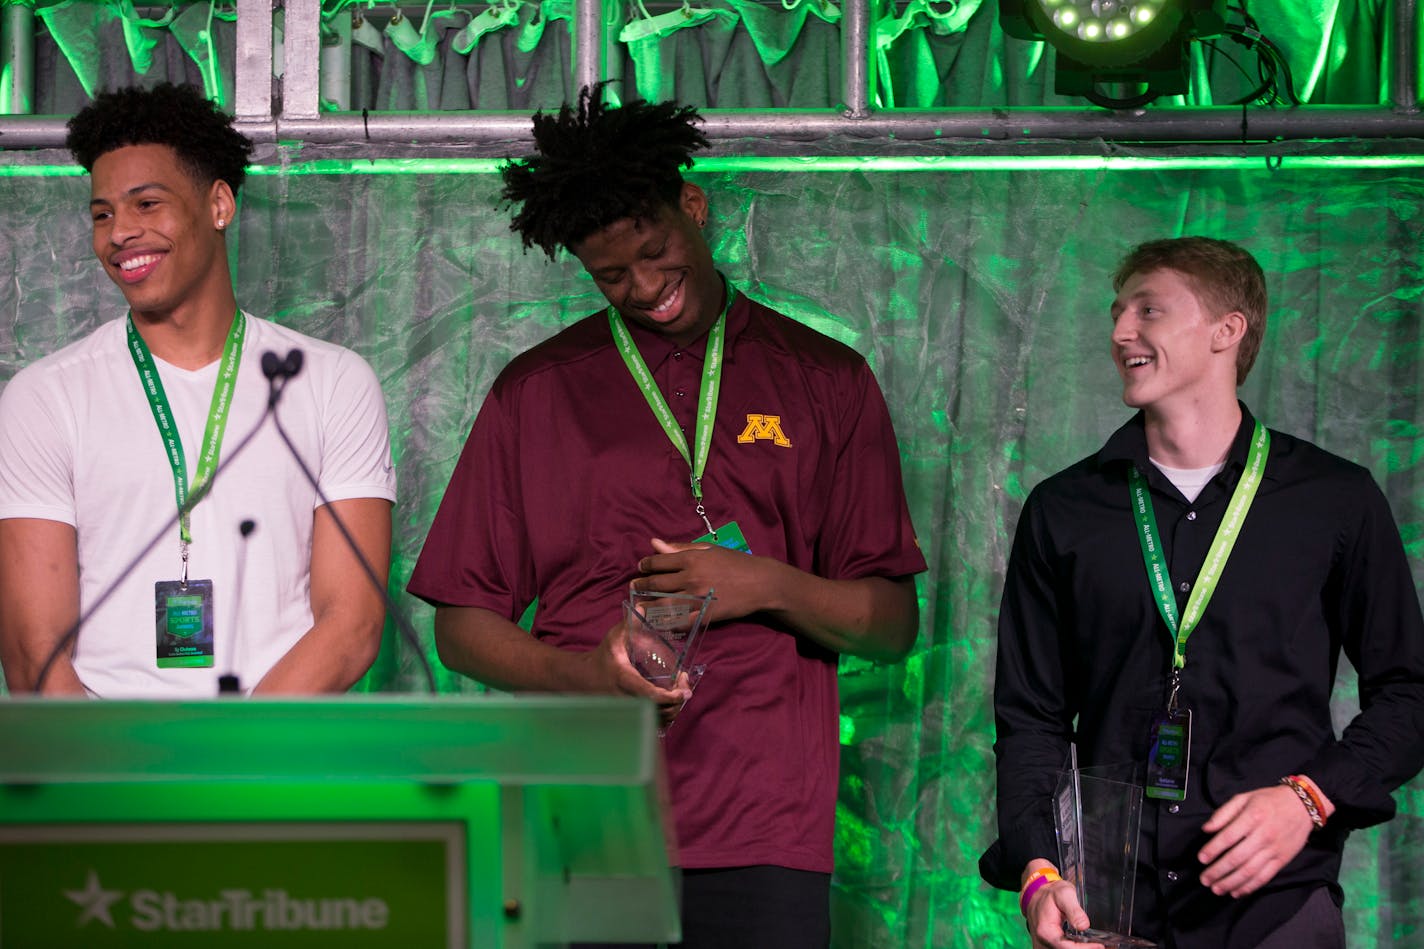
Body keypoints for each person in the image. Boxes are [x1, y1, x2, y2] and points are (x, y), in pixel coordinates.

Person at [408, 88, 926, 946]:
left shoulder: (827, 377)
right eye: (612, 274)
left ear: (694, 205)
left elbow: (891, 625)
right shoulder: (534, 392)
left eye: (656, 253)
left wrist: (762, 583)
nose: (645, 288)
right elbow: (461, 628)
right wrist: (591, 679)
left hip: (767, 822)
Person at [980, 236, 1424, 948]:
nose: (1121, 330)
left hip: (1276, 910)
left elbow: (1411, 692)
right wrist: (1038, 868)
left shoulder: (1335, 500)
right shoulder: (1062, 510)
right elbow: (1030, 719)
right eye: (1117, 312)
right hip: (1109, 913)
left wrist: (1308, 798)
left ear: (1229, 330)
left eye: (1148, 309)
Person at [0, 83, 395, 697]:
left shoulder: (332, 382)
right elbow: (34, 654)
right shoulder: (44, 397)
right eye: (102, 213)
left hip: (268, 763)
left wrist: (223, 768)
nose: (119, 234)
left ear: (219, 205)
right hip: (108, 772)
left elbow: (353, 625)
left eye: (147, 204)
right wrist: (122, 785)